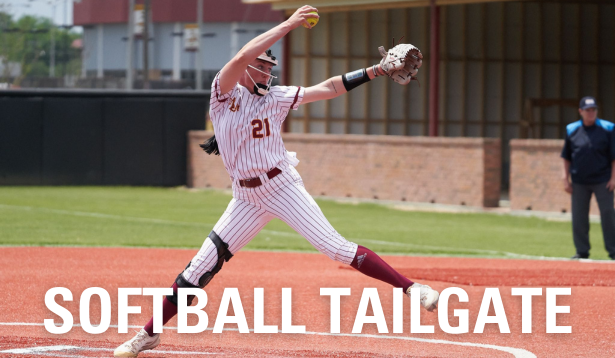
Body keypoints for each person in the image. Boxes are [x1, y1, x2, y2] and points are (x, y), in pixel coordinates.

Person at [114, 5, 437, 357]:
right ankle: (149, 334)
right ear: (246, 69)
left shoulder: (277, 97)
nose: (268, 72)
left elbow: (328, 88)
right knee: (201, 266)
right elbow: (241, 55)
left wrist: (375, 70)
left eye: (271, 68)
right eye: (263, 66)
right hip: (245, 198)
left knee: (336, 248)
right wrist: (289, 24)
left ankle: (411, 288)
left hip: (282, 187)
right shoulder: (223, 96)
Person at [561, 96, 615, 260]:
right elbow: (566, 156)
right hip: (579, 181)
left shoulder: (608, 128)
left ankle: (613, 251)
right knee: (579, 217)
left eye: (593, 110)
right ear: (581, 111)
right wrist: (565, 178)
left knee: (608, 215)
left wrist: (613, 178)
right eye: (587, 110)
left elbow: (614, 156)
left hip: (603, 180)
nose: (591, 113)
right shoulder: (572, 129)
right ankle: (582, 251)